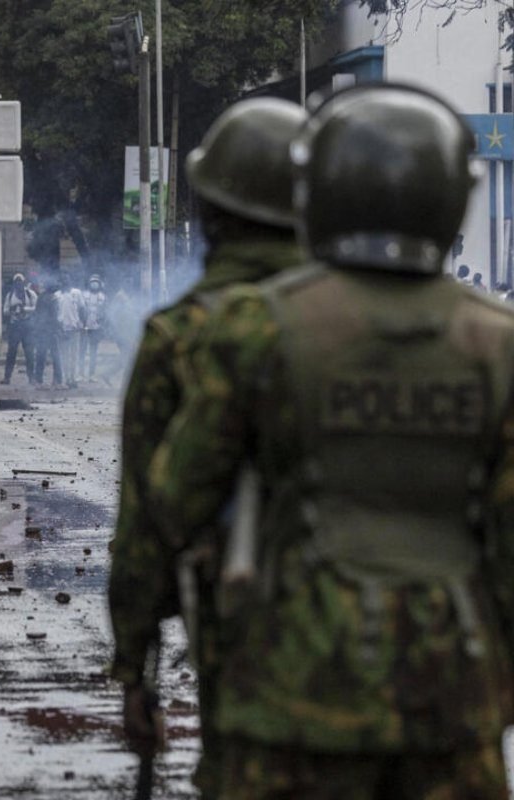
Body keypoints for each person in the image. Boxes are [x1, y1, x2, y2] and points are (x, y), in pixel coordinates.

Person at [150, 84, 513, 798]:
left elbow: (176, 498)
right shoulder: (499, 347)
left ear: (318, 196)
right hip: (452, 705)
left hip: (289, 699)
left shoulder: (255, 327)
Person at [107, 96, 306, 798]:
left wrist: (136, 671)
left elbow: (146, 521)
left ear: (211, 211)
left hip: (246, 635)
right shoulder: (379, 323)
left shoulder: (182, 334)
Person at [1, 272, 36, 384]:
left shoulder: (30, 294)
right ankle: (7, 377)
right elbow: (5, 310)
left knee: (29, 353)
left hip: (27, 326)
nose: (18, 284)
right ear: (14, 283)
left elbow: (37, 308)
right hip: (15, 325)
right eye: (16, 282)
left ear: (23, 282)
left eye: (20, 282)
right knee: (11, 352)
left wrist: (25, 309)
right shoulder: (10, 295)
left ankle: (31, 377)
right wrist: (13, 309)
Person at [31, 277, 62, 388]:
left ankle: (38, 380)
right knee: (56, 357)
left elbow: (37, 314)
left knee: (41, 356)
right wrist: (57, 328)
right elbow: (54, 316)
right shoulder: (53, 299)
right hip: (50, 331)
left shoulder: (41, 297)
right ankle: (57, 381)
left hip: (42, 331)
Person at [56, 273, 85, 388]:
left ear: (70, 280)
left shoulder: (77, 293)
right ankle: (66, 379)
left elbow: (82, 308)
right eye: (63, 280)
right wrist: (58, 328)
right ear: (60, 282)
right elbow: (55, 313)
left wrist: (82, 323)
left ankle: (73, 378)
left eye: (67, 279)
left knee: (74, 355)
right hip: (62, 329)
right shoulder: (57, 295)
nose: (65, 281)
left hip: (74, 328)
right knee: (64, 355)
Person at [80, 275, 106, 381]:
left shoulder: (102, 296)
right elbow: (81, 309)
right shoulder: (84, 295)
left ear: (99, 284)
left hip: (96, 327)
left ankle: (92, 374)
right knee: (82, 350)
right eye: (92, 282)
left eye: (96, 282)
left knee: (93, 351)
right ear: (89, 284)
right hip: (84, 325)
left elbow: (104, 311)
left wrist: (102, 323)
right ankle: (80, 373)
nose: (94, 284)